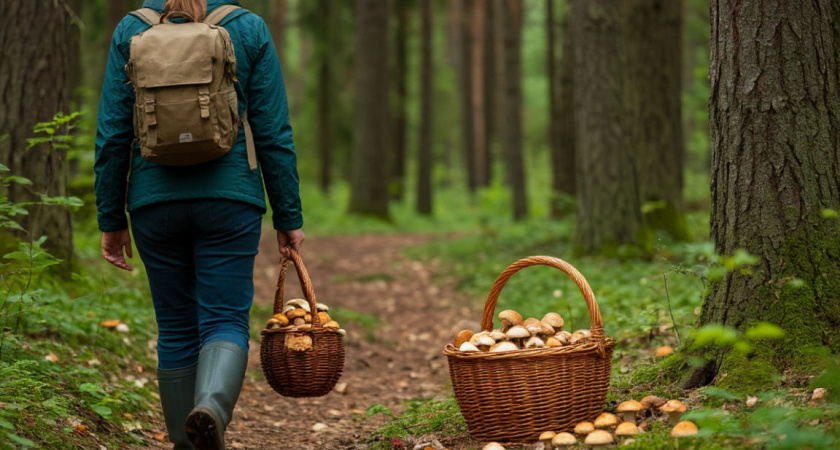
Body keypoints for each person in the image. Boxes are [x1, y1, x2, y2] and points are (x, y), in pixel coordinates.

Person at [94, 0, 303, 448]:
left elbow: (112, 133)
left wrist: (110, 217)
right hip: (230, 199)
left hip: (154, 202)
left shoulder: (131, 29)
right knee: (225, 320)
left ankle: (186, 443)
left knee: (175, 327)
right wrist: (288, 216)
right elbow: (272, 131)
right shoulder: (247, 27)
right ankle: (210, 407)